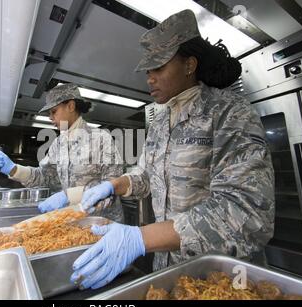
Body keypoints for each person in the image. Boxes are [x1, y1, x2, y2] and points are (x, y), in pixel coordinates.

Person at [70, 9, 275, 290]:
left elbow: (247, 212)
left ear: (189, 65)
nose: (149, 78)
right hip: (168, 269)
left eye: (158, 68)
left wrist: (141, 238)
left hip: (222, 276)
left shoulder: (229, 112)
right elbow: (146, 174)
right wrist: (113, 185)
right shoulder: (161, 121)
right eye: (148, 71)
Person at [0, 83, 124, 222]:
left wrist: (69, 196)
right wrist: (14, 169)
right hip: (74, 221)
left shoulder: (100, 138)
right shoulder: (58, 144)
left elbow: (114, 184)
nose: (50, 118)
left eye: (54, 111)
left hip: (104, 222)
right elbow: (45, 176)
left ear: (71, 106)